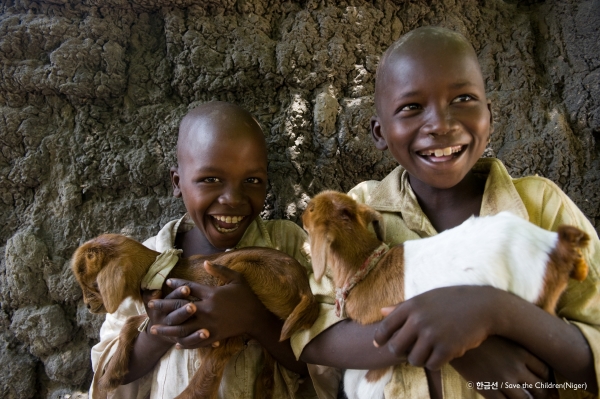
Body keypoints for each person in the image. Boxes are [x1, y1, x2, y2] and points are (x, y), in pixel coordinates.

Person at [290, 26, 600, 399]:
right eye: (411, 107)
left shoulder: (542, 207)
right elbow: (316, 336)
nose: (440, 124)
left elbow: (590, 359)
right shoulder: (355, 211)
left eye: (463, 98)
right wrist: (457, 347)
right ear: (379, 131)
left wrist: (492, 312)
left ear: (490, 115)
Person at [90, 102, 317, 399]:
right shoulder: (144, 261)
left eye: (252, 181)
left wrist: (254, 320)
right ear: (178, 182)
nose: (233, 199)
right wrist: (157, 333)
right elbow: (108, 376)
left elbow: (321, 363)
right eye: (210, 179)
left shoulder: (287, 245)